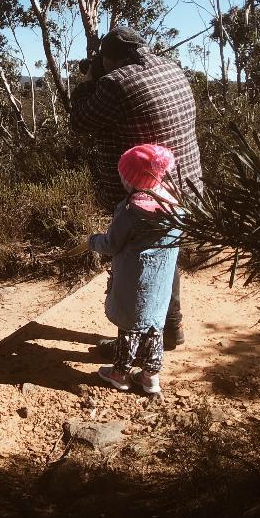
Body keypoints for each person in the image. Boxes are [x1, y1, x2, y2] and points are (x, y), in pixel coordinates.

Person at [70, 25, 202, 350]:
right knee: (164, 256)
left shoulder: (115, 82)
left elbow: (80, 121)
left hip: (145, 193)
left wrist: (89, 82)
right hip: (185, 184)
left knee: (136, 265)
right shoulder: (172, 67)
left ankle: (134, 343)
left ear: (111, 59)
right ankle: (170, 327)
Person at [90, 143, 182, 398]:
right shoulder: (175, 204)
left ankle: (120, 373)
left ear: (131, 180)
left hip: (134, 281)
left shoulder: (131, 210)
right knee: (154, 326)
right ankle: (151, 377)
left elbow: (111, 244)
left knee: (129, 327)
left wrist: (92, 241)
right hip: (161, 283)